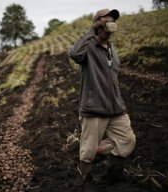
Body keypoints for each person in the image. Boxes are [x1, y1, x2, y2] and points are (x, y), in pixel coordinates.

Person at [68, 8, 136, 184]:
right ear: (97, 24)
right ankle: (87, 180)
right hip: (93, 109)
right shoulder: (87, 48)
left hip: (116, 109)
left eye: (112, 21)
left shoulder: (113, 50)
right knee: (87, 152)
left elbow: (114, 80)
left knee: (127, 140)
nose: (110, 25)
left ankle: (111, 176)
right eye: (106, 21)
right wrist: (92, 31)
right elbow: (74, 53)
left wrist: (120, 103)